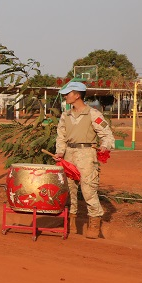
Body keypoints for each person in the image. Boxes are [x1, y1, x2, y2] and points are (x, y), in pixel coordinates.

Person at [55, 81, 115, 239]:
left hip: (87, 154)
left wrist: (105, 145)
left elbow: (106, 134)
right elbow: (60, 137)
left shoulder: (92, 114)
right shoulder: (65, 115)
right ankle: (71, 222)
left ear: (77, 95)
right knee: (69, 189)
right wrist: (60, 152)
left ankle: (94, 222)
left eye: (68, 93)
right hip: (69, 154)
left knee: (88, 189)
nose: (65, 96)